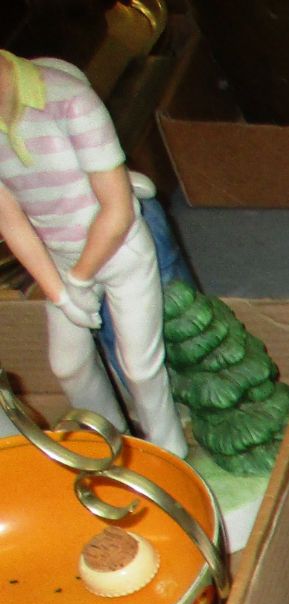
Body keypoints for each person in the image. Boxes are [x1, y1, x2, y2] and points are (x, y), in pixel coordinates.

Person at [0, 50, 186, 456]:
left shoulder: (68, 101)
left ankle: (171, 455)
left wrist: (81, 278)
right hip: (59, 259)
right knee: (68, 366)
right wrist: (62, 293)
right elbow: (12, 223)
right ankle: (111, 446)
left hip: (118, 252)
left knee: (140, 368)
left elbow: (117, 211)